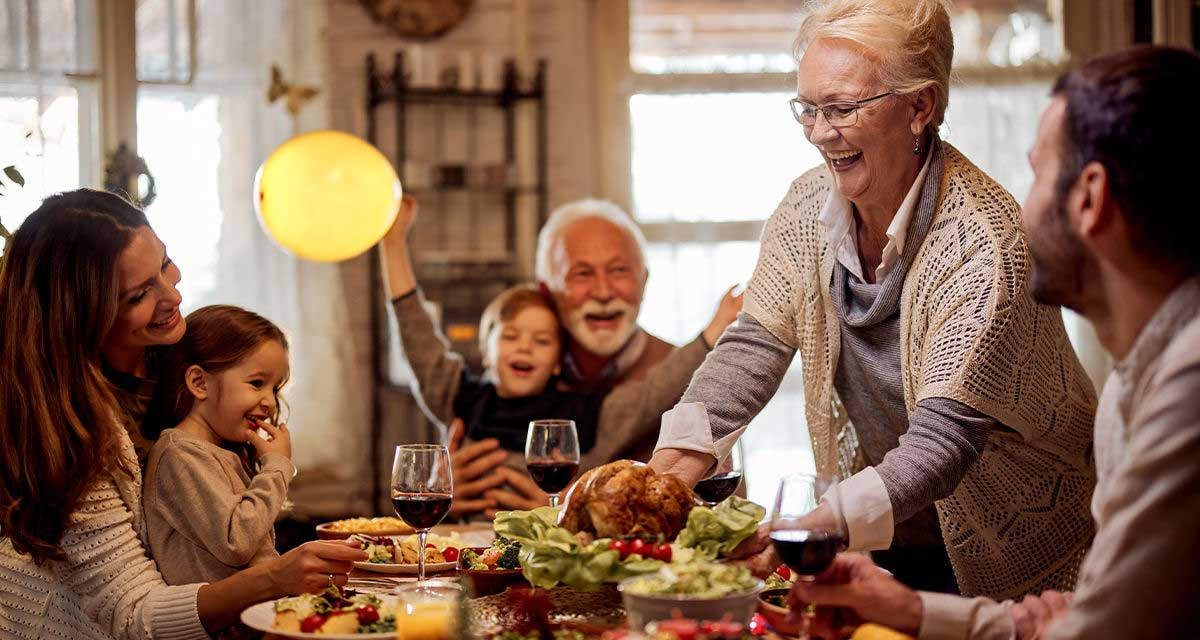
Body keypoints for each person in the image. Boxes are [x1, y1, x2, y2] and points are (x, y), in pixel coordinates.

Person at [648, 0, 1097, 598]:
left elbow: (943, 440)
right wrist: (662, 477)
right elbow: (753, 344)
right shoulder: (809, 205)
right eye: (807, 108)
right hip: (892, 536)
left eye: (842, 108)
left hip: (1022, 554)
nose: (818, 132)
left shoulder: (986, 244)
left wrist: (809, 529)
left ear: (920, 107)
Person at [787, 44, 1200, 640]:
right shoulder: (1136, 383)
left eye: (1037, 174)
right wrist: (910, 610)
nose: (1016, 208)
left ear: (1089, 199)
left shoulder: (1187, 393)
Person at [0, 189, 365, 639]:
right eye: (139, 295)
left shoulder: (176, 364)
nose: (172, 294)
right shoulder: (63, 432)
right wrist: (271, 581)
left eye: (165, 265)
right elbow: (134, 615)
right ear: (83, 316)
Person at [379, 197, 741, 508]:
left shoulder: (692, 379)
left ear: (644, 280)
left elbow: (727, 507)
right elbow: (424, 352)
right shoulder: (507, 381)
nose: (602, 291)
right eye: (581, 274)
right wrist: (443, 489)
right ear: (547, 289)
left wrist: (578, 510)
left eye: (618, 271)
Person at [143, 305, 295, 585]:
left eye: (275, 388)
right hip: (229, 626)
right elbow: (236, 542)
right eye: (257, 383)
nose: (271, 402)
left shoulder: (220, 451)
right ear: (200, 383)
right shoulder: (180, 454)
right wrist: (276, 469)